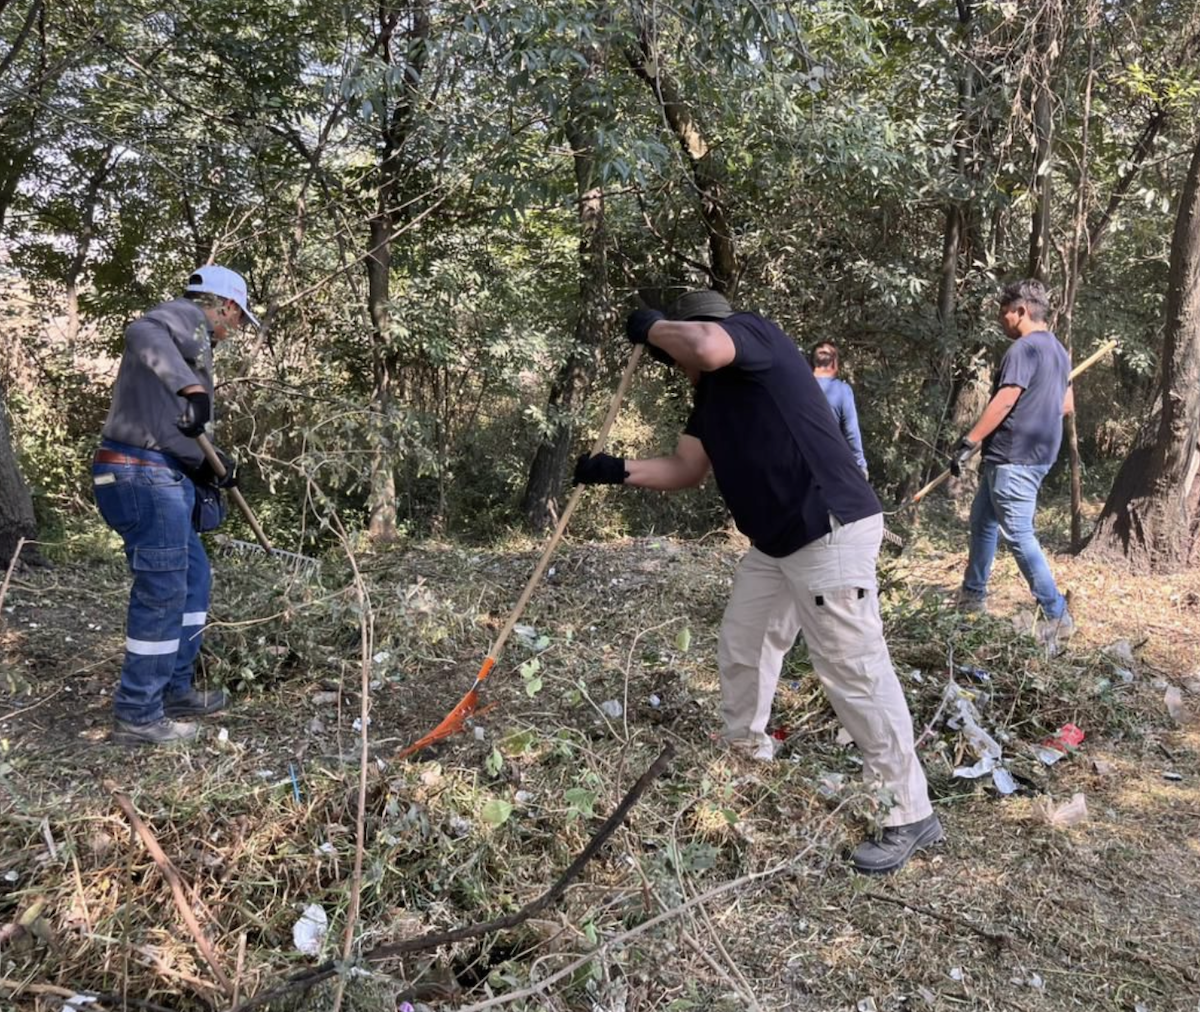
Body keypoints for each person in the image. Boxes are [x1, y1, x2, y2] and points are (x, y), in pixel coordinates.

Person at [574, 290, 941, 874]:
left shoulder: (753, 335)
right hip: (776, 543)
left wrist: (652, 329)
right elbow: (688, 470)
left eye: (679, 348)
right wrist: (616, 470)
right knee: (744, 642)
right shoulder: (711, 402)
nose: (683, 363)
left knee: (854, 669)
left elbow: (704, 343)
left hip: (829, 529)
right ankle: (745, 751)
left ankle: (909, 814)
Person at [92, 265, 258, 746]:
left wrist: (215, 464)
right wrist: (192, 388)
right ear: (224, 305)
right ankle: (139, 713)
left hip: (159, 471)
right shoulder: (184, 319)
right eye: (239, 320)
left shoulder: (194, 342)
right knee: (163, 589)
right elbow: (140, 330)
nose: (237, 330)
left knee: (193, 578)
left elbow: (179, 433)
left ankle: (174, 689)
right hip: (140, 473)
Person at [949, 278, 1074, 648]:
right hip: (1029, 457)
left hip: (1014, 459)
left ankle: (1057, 614)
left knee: (1018, 535)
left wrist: (970, 440)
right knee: (982, 522)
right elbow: (1067, 406)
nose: (1001, 320)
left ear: (1020, 311)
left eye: (1004, 313)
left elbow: (1005, 400)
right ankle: (972, 598)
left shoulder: (1024, 349)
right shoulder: (1059, 351)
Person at [811, 341, 868, 477]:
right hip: (828, 466)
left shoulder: (796, 386)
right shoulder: (843, 391)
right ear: (834, 364)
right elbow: (851, 431)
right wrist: (860, 465)